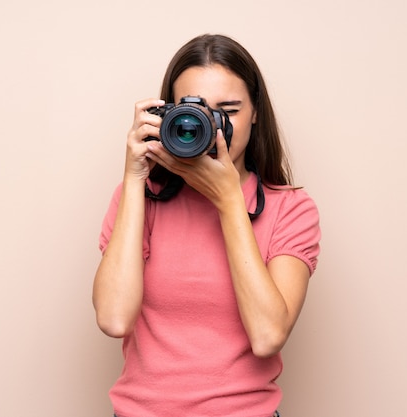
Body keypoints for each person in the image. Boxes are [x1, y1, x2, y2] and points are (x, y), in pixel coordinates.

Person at [93, 33, 321, 417]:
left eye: (228, 111)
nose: (212, 128)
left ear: (256, 112)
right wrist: (134, 177)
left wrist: (230, 200)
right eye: (194, 112)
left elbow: (267, 336)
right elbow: (114, 318)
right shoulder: (139, 197)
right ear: (168, 116)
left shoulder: (291, 209)